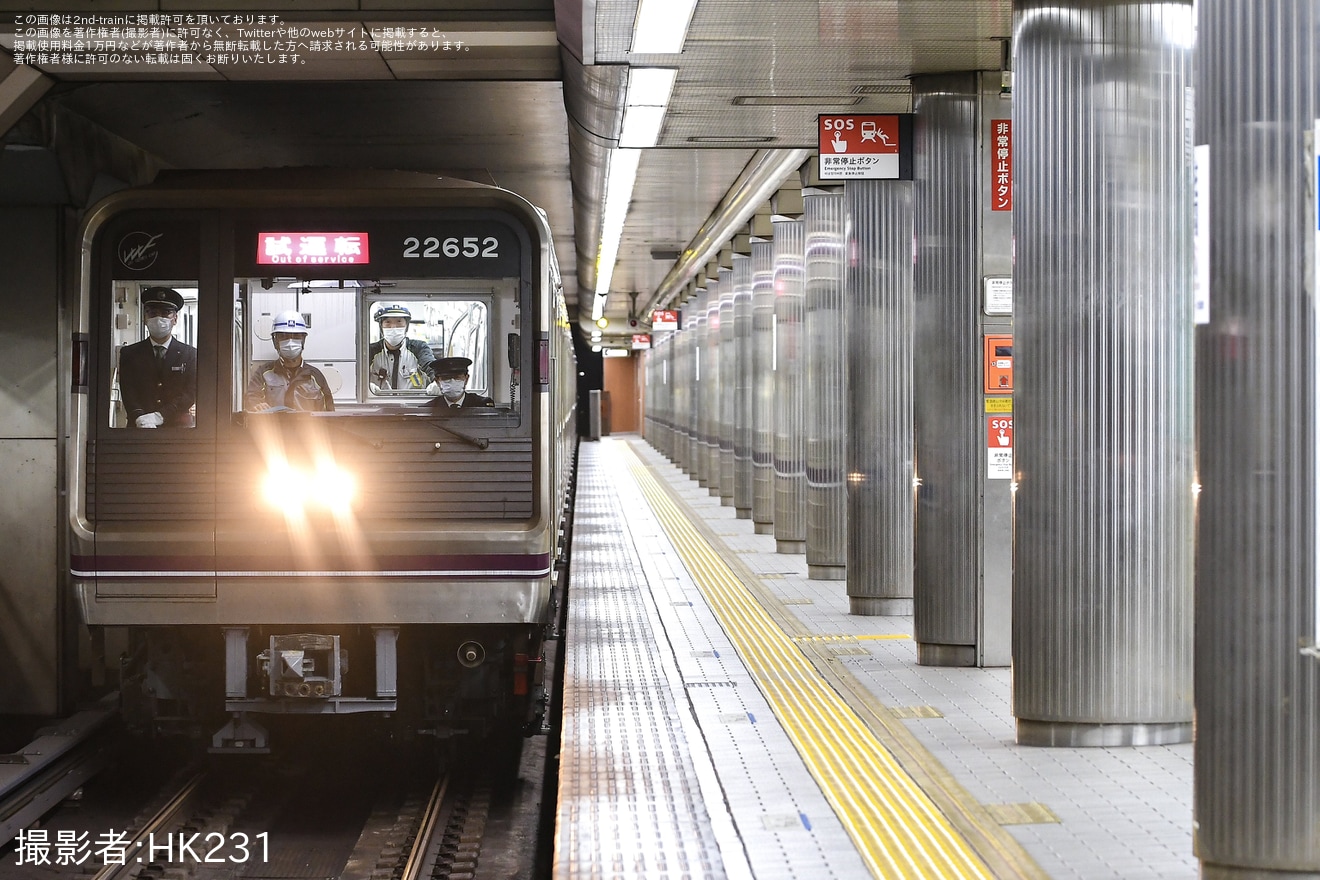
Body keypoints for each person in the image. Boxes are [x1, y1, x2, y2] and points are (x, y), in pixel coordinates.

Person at [118, 286, 198, 428]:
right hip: (139, 427)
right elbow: (128, 392)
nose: (158, 318)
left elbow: (190, 393)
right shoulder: (129, 354)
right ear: (145, 318)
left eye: (166, 313)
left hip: (179, 429)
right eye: (152, 313)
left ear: (175, 319)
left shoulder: (190, 354)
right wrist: (139, 417)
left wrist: (160, 416)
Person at [245, 310, 335, 412]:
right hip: (272, 428)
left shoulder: (315, 376)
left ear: (303, 340)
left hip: (308, 428)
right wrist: (256, 405)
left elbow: (329, 413)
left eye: (296, 336)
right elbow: (252, 398)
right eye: (284, 336)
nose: (290, 342)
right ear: (275, 341)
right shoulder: (263, 374)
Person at [367, 303, 438, 394]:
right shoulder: (371, 350)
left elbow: (430, 366)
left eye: (399, 321)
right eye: (388, 322)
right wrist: (365, 387)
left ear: (406, 325)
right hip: (379, 404)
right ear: (381, 326)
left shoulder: (419, 348)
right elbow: (356, 372)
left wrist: (438, 381)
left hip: (413, 405)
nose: (393, 327)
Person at [429, 357, 494, 412]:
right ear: (437, 382)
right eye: (446, 378)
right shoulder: (429, 409)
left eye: (457, 377)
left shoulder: (481, 405)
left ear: (466, 379)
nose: (452, 382)